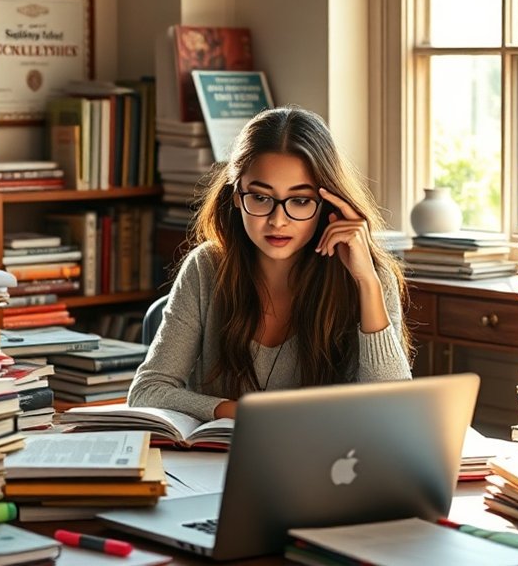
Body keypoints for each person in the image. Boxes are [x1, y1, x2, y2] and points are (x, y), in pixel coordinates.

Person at [128, 106, 412, 420]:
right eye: (261, 198)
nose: (278, 220)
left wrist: (368, 285)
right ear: (236, 196)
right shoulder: (206, 268)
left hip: (327, 466)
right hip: (214, 463)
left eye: (300, 200)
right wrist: (244, 414)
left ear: (328, 203)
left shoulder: (368, 279)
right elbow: (147, 391)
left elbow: (392, 413)